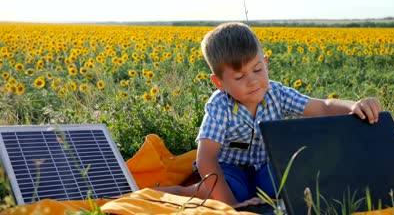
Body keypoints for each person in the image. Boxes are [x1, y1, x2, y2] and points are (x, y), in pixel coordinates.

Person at [154, 22, 381, 208]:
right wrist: (232, 206)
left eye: (257, 69)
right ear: (219, 83)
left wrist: (354, 105)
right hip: (228, 169)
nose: (252, 81)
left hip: (265, 166)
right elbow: (206, 158)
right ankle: (163, 193)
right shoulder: (219, 106)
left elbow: (322, 107)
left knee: (288, 178)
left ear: (265, 62)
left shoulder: (276, 93)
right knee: (216, 190)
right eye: (239, 77)